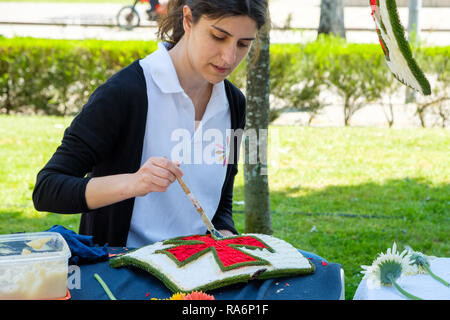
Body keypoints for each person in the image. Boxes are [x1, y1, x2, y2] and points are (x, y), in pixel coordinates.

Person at [32, 0, 268, 248]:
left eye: (243, 44)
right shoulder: (125, 93)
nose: (229, 57)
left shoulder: (234, 102)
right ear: (188, 20)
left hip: (201, 272)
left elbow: (220, 201)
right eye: (219, 37)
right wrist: (134, 182)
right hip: (125, 271)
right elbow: (48, 189)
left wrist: (224, 232)